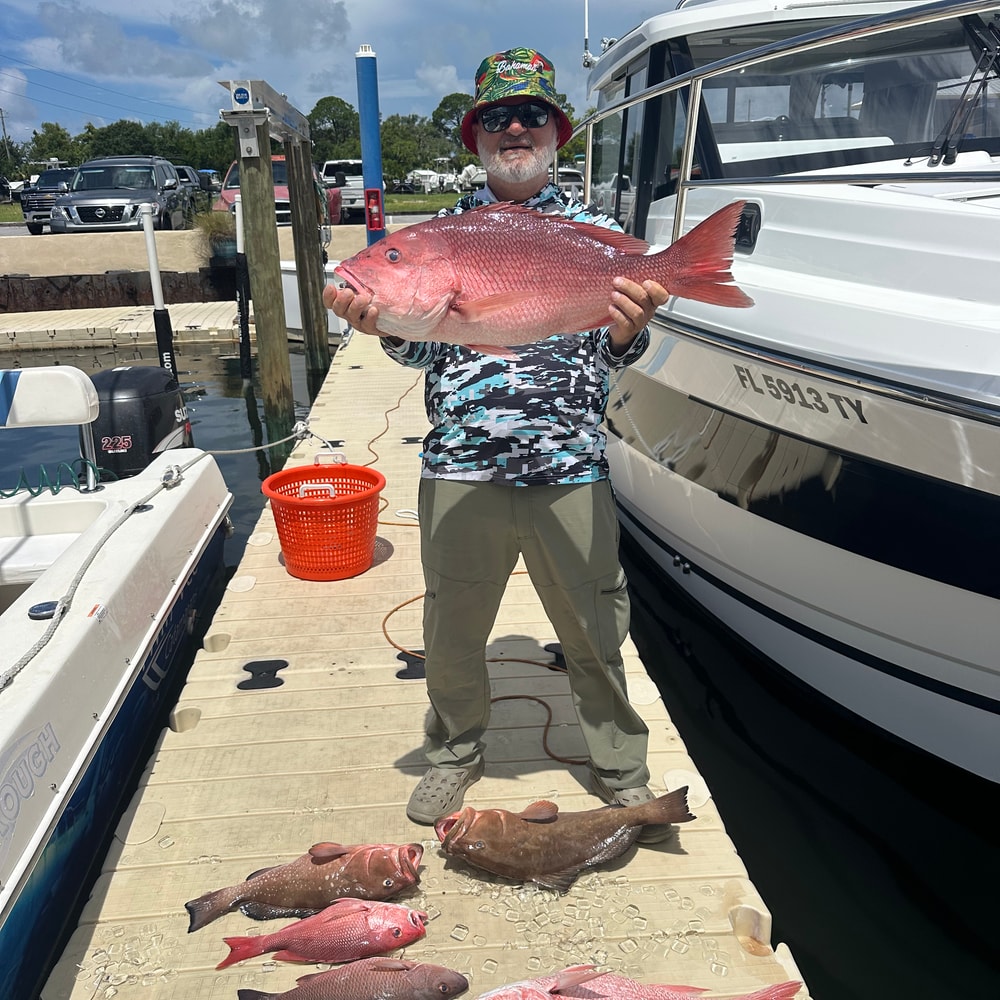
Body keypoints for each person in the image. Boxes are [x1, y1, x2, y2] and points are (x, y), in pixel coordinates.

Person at [326, 48, 671, 839]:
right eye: (497, 118)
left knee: (594, 628)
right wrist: (383, 325)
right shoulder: (440, 235)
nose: (516, 129)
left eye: (531, 115)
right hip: (462, 465)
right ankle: (454, 751)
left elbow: (615, 352)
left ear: (557, 132)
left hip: (569, 462)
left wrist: (629, 332)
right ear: (476, 138)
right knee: (451, 629)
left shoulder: (601, 236)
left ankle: (620, 765)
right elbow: (420, 348)